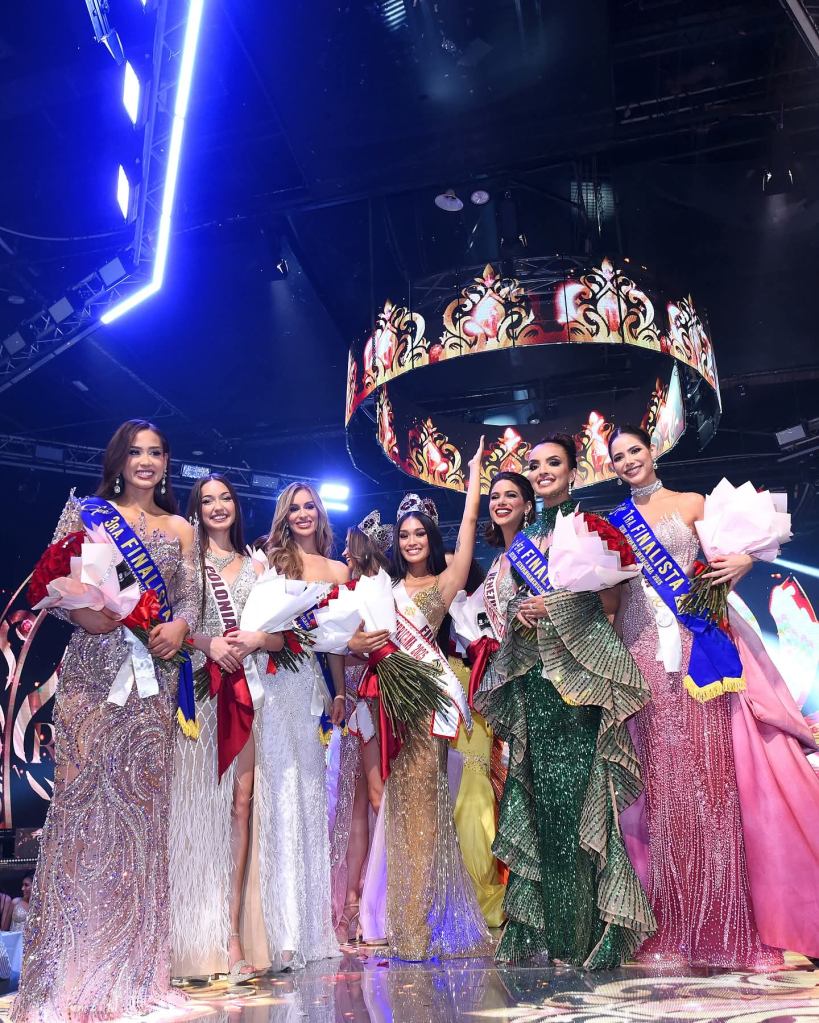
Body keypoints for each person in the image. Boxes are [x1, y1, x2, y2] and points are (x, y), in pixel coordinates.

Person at [609, 424, 819, 968]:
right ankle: (672, 922)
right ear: (612, 467)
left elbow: (727, 560)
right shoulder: (613, 523)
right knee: (659, 788)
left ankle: (725, 922)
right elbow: (612, 598)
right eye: (619, 457)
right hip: (640, 653)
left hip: (695, 651)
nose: (629, 461)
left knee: (709, 779)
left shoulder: (692, 503)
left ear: (652, 451)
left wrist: (745, 561)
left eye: (635, 450)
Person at [13, 419, 198, 1022]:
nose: (145, 461)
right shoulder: (87, 513)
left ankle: (132, 972)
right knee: (80, 815)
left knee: (141, 821)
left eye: (156, 453)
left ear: (166, 463)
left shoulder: (182, 529)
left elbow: (190, 603)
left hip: (151, 690)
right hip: (92, 678)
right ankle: (65, 975)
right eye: (135, 452)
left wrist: (180, 628)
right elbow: (56, 585)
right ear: (117, 459)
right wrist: (85, 614)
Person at [483, 434, 654, 968]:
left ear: (573, 472)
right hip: (536, 679)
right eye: (534, 465)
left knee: (578, 802)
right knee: (541, 802)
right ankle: (552, 933)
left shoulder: (588, 526)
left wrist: (553, 606)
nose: (542, 471)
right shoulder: (523, 540)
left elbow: (609, 599)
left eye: (553, 463)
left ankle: (585, 934)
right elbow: (510, 606)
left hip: (576, 685)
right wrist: (520, 611)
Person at [169, 474, 280, 981]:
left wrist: (256, 640)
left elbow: (282, 637)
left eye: (226, 498)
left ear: (237, 505)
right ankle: (194, 937)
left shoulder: (258, 566)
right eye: (207, 500)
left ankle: (232, 936)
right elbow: (170, 624)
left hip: (247, 695)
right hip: (199, 695)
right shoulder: (187, 562)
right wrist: (207, 643)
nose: (218, 507)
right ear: (196, 509)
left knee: (241, 806)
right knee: (199, 809)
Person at [384, 437, 492, 961]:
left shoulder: (445, 584)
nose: (412, 541)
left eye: (419, 533)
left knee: (425, 811)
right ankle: (402, 920)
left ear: (431, 537)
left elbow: (469, 529)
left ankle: (418, 924)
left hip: (426, 706)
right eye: (404, 534)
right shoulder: (380, 588)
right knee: (396, 812)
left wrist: (473, 477)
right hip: (389, 707)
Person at [257, 483, 348, 970]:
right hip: (274, 686)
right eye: (294, 508)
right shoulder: (271, 563)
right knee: (279, 798)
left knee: (311, 799)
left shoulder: (338, 571)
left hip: (310, 689)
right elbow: (259, 625)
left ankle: (311, 930)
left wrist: (340, 691)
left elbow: (334, 642)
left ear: (320, 513)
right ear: (284, 517)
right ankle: (280, 932)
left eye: (310, 506)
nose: (303, 514)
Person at [329, 512, 392, 944]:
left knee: (376, 795)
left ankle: (378, 900)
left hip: (377, 694)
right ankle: (350, 899)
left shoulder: (384, 588)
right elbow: (334, 646)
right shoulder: (342, 591)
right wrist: (339, 692)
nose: (344, 553)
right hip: (350, 697)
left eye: (350, 547)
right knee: (349, 803)